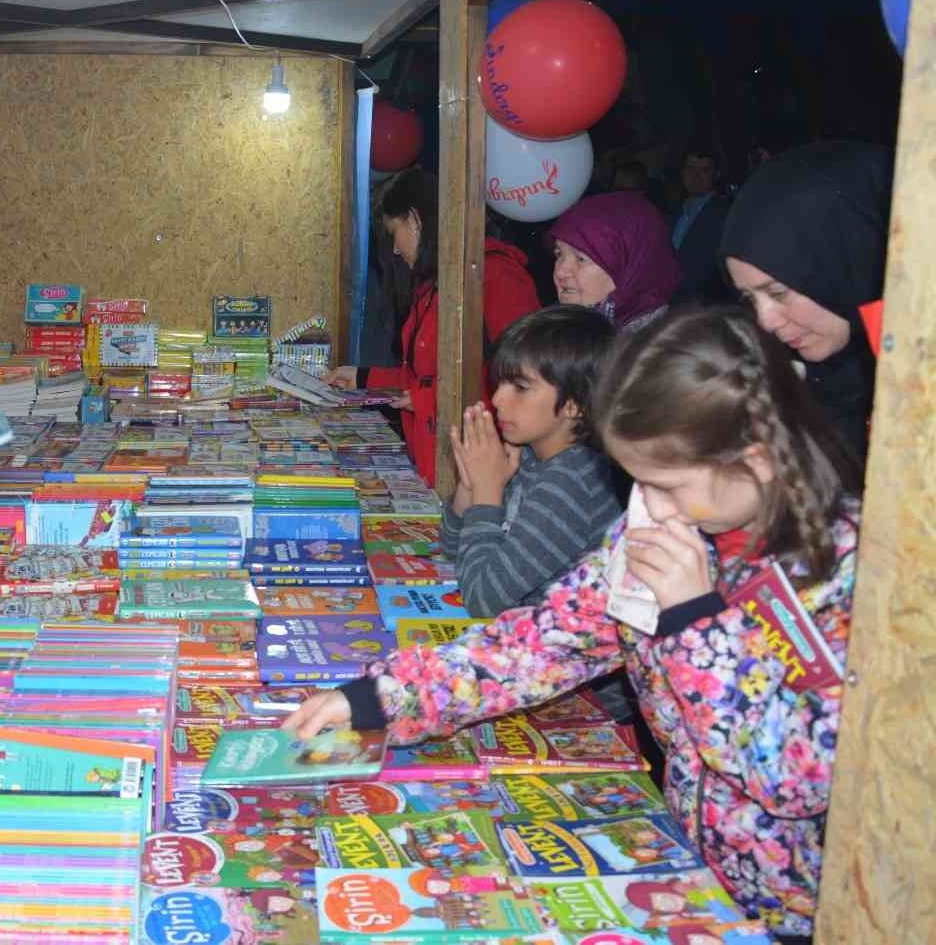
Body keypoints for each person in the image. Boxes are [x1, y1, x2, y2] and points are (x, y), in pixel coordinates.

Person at [284, 308, 862, 941]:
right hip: (691, 878)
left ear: (757, 461)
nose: (647, 508)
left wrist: (694, 624)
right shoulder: (671, 525)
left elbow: (796, 778)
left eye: (667, 485)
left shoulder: (849, 576)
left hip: (804, 913)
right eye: (635, 482)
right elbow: (538, 644)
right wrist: (381, 696)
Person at [327, 168, 540, 486]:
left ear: (415, 220)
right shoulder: (433, 284)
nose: (395, 248)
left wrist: (427, 399)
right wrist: (362, 377)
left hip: (479, 470)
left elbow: (523, 381)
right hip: (436, 461)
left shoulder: (495, 276)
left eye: (394, 232)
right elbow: (423, 375)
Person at [442, 305, 621, 618]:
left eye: (521, 388)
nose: (496, 399)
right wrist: (471, 486)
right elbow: (452, 549)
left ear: (575, 404)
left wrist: (487, 491)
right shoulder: (527, 455)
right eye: (501, 383)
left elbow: (482, 600)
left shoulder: (571, 482)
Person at [720, 140, 892, 463]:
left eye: (778, 292)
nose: (765, 321)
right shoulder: (805, 388)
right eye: (749, 298)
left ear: (854, 256)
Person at [549, 191, 682, 334]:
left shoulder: (663, 345)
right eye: (559, 254)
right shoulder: (556, 331)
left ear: (631, 267)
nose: (560, 272)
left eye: (581, 258)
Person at [668, 145, 735, 306]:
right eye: (690, 168)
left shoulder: (726, 215)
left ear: (716, 174)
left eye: (704, 170)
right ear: (682, 172)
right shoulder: (673, 212)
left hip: (701, 309)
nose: (695, 176)